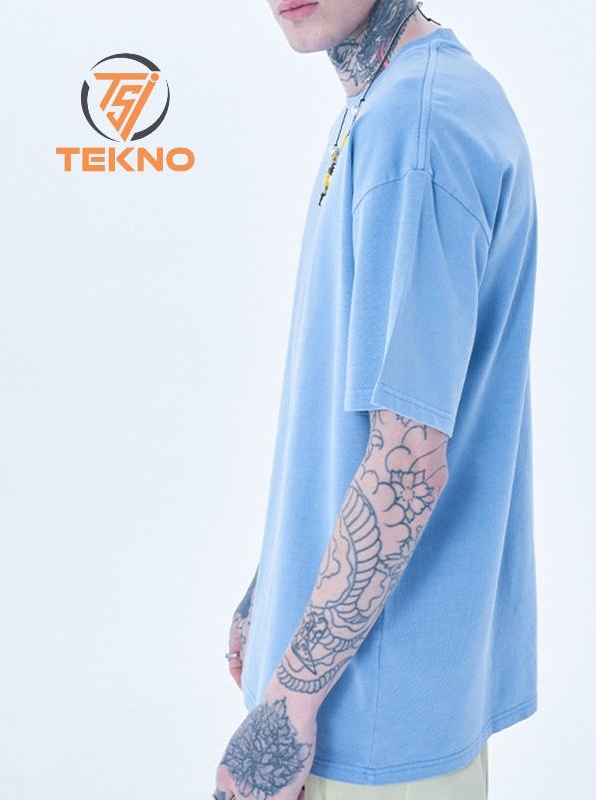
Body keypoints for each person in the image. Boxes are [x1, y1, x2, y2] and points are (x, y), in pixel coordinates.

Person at [214, 1, 538, 798]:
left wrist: (285, 709)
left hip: (367, 723)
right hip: (374, 696)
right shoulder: (390, 101)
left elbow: (406, 466)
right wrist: (272, 587)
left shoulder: (416, 127)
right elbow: (363, 424)